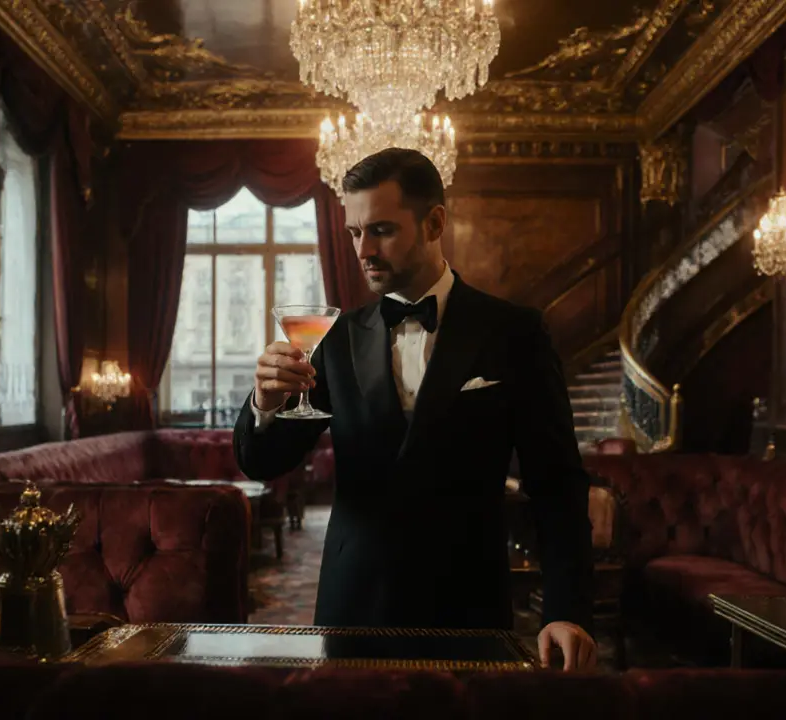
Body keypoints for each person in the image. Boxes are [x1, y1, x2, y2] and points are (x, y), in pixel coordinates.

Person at [233, 148, 596, 671]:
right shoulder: (334, 338)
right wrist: (265, 405)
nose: (363, 250)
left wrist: (566, 610)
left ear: (434, 222)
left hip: (468, 606)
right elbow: (263, 463)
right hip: (351, 604)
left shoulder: (515, 333)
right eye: (355, 233)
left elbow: (558, 484)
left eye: (380, 230)